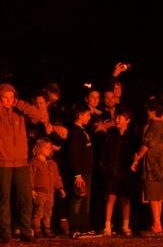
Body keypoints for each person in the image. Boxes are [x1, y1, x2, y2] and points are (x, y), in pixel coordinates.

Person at [0, 83, 49, 242]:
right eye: (4, 98)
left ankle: (26, 230)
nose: (8, 101)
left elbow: (38, 116)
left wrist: (18, 104)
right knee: (4, 198)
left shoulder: (19, 113)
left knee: (25, 197)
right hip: (2, 161)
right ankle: (5, 233)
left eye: (11, 97)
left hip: (21, 161)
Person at [131, 98, 163, 236]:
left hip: (152, 164)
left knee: (152, 195)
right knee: (158, 195)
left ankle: (157, 224)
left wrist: (137, 159)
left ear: (152, 112)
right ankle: (157, 223)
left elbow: (147, 144)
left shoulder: (153, 126)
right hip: (162, 164)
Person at [98, 107, 137, 236]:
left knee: (125, 199)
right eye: (117, 117)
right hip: (112, 171)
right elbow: (104, 152)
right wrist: (105, 167)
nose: (117, 120)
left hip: (126, 171)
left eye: (121, 118)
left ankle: (126, 226)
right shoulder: (111, 134)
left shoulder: (132, 136)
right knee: (111, 197)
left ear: (128, 120)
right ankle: (107, 225)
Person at [63, 102, 95, 237]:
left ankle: (84, 227)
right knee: (77, 200)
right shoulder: (74, 133)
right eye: (87, 115)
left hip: (86, 172)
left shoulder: (83, 131)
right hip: (79, 173)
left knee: (85, 201)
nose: (89, 117)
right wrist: (77, 174)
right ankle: (74, 228)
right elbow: (73, 155)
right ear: (80, 115)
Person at [29, 139, 65, 238]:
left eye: (50, 148)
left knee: (48, 211)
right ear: (40, 148)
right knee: (39, 211)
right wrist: (31, 189)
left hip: (50, 192)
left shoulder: (52, 164)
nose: (49, 150)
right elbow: (30, 177)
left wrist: (60, 188)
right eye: (47, 147)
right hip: (40, 192)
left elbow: (57, 177)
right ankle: (36, 229)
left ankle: (47, 229)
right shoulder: (34, 163)